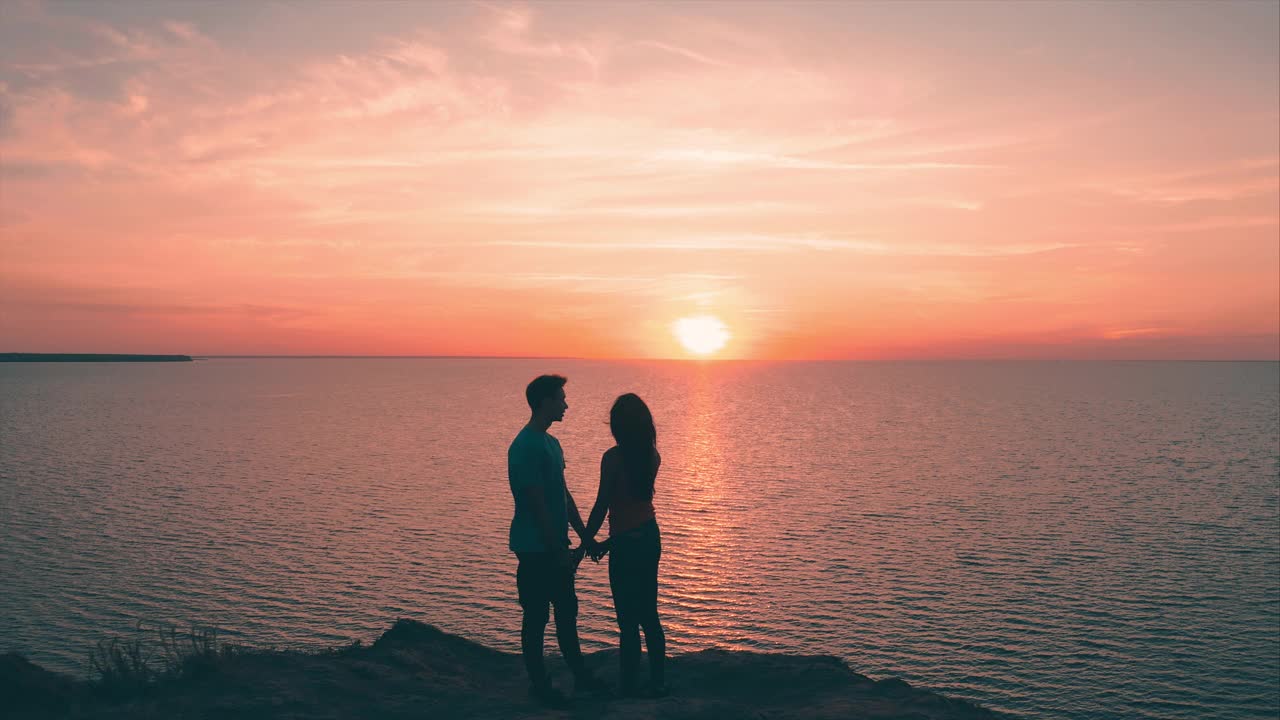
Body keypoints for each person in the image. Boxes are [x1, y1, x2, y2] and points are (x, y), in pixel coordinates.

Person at [507, 374, 606, 707]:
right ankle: (541, 685)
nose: (566, 404)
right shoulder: (524, 446)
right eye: (561, 398)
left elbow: (562, 497)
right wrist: (556, 549)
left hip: (555, 545)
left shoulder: (552, 443)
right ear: (545, 401)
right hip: (535, 548)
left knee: (566, 613)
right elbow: (535, 504)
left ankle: (580, 677)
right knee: (536, 617)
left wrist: (585, 538)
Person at [583, 393, 667, 697]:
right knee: (650, 615)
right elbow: (636, 510)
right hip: (648, 537)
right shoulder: (652, 456)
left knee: (627, 620)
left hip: (625, 545)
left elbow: (603, 505)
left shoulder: (613, 458)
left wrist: (584, 544)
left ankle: (628, 685)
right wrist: (606, 542)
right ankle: (658, 682)